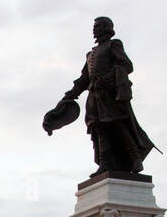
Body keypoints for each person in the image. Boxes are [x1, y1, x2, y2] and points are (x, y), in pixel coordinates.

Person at [52, 16, 157, 176]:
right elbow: (84, 79)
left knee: (117, 125)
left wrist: (107, 79)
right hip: (95, 98)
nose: (95, 29)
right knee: (99, 129)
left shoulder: (113, 45)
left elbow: (126, 65)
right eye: (94, 26)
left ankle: (135, 158)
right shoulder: (91, 54)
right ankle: (105, 163)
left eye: (98, 26)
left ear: (106, 28)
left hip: (110, 95)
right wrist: (70, 95)